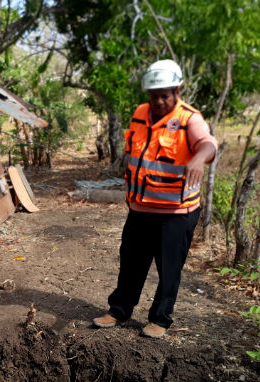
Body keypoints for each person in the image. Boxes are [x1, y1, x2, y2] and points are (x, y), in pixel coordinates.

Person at [92, 60, 218, 338]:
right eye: (153, 96)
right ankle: (119, 310)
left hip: (176, 213)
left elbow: (208, 143)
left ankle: (160, 319)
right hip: (140, 209)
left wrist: (199, 158)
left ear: (178, 90)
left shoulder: (189, 118)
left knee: (169, 269)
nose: (159, 101)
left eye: (165, 95)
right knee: (131, 263)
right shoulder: (140, 113)